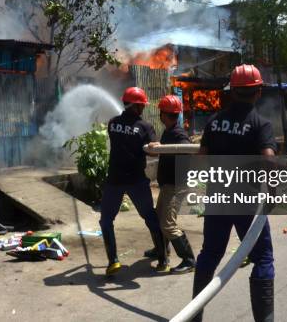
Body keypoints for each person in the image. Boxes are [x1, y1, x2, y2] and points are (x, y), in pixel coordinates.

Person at [192, 64, 276, 322]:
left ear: (232, 91)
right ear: (258, 91)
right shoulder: (261, 124)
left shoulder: (214, 122)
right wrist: (272, 191)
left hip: (217, 199)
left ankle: (194, 317)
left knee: (209, 255)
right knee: (262, 258)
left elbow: (201, 160)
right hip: (246, 203)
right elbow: (268, 161)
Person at [100, 87, 169, 276]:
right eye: (142, 106)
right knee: (150, 217)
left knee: (106, 220)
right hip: (136, 181)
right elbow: (154, 150)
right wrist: (155, 145)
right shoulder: (145, 127)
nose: (143, 109)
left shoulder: (112, 123)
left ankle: (113, 261)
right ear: (137, 106)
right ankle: (163, 260)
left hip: (114, 180)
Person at [143, 95, 196, 274]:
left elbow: (185, 149)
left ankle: (188, 259)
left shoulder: (179, 134)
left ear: (163, 114)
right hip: (168, 184)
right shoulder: (170, 130)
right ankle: (161, 249)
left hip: (176, 186)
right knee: (158, 219)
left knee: (167, 224)